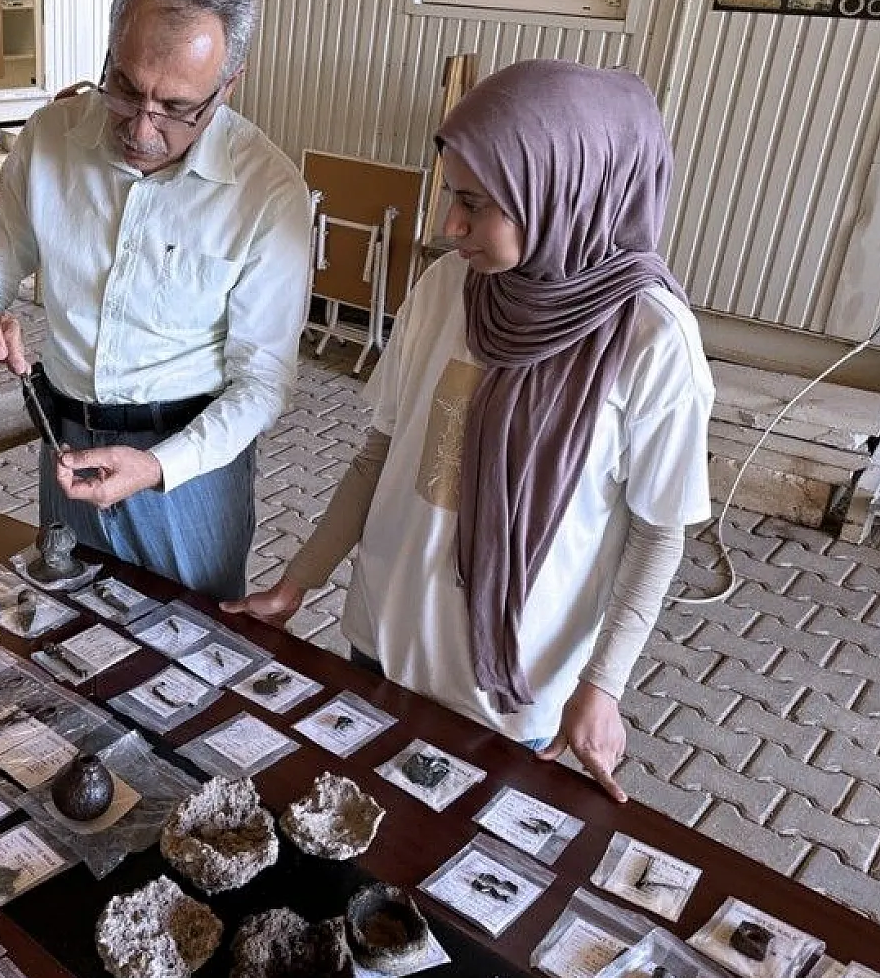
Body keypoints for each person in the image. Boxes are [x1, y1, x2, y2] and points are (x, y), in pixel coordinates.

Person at [225, 59, 715, 802]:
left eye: (474, 203)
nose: (448, 227)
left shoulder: (650, 337)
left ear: (562, 192)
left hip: (505, 699)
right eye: (450, 196)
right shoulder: (449, 286)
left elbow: (659, 532)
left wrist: (604, 686)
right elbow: (380, 454)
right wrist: (300, 580)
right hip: (379, 645)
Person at [0, 0, 312, 602]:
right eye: (124, 88)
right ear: (109, 51)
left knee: (191, 660)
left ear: (229, 86)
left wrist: (157, 466)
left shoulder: (268, 192)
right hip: (68, 443)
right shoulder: (51, 139)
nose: (142, 127)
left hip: (191, 466)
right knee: (64, 634)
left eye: (176, 106)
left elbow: (261, 383)